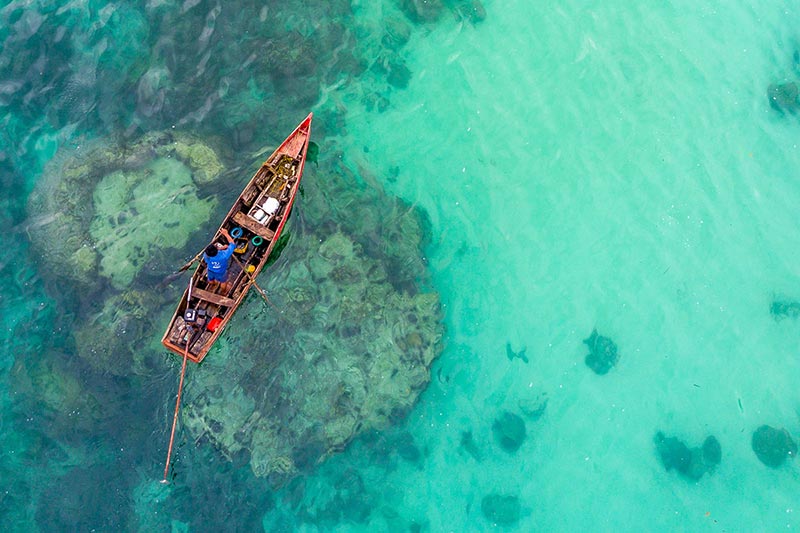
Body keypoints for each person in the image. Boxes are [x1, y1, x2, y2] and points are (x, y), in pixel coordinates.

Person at [203, 228, 235, 293]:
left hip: (210, 270)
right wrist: (226, 234)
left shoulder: (206, 255)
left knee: (210, 279)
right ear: (217, 250)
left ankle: (213, 284)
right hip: (221, 272)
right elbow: (232, 244)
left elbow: (213, 253)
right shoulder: (224, 255)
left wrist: (222, 248)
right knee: (223, 282)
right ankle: (224, 291)